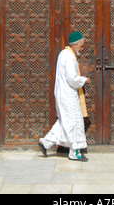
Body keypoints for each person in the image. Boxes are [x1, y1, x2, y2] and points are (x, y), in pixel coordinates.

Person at [38, 31, 91, 161]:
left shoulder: (64, 54)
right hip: (68, 96)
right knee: (74, 122)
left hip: (63, 95)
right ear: (74, 45)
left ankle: (45, 143)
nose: (82, 49)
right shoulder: (68, 57)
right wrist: (84, 80)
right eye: (81, 46)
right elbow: (71, 78)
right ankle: (75, 153)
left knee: (64, 121)